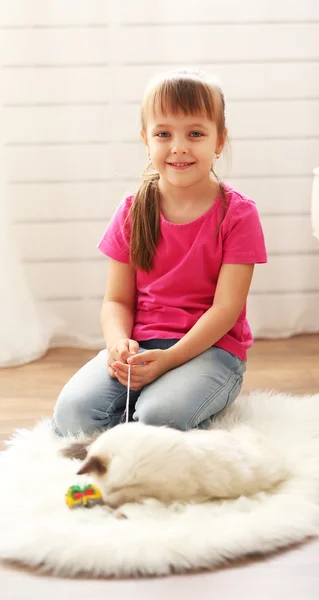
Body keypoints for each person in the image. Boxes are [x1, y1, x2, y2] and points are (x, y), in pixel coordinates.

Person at [52, 69, 267, 437]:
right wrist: (118, 344)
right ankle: (145, 395)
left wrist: (169, 360)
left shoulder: (238, 214)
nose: (179, 147)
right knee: (72, 415)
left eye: (195, 133)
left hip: (211, 349)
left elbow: (225, 310)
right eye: (164, 134)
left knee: (158, 418)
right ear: (146, 141)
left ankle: (176, 396)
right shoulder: (133, 210)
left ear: (219, 140)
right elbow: (116, 300)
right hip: (143, 344)